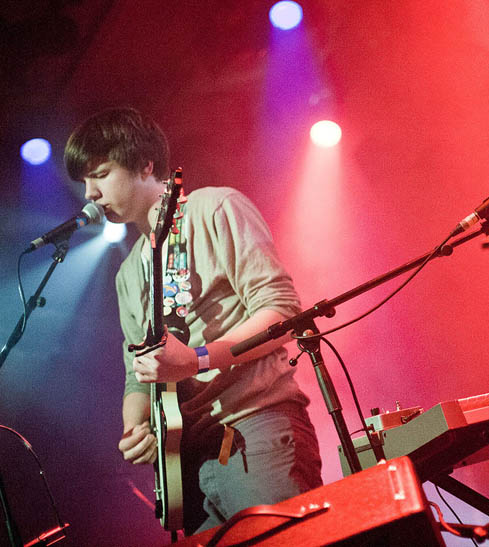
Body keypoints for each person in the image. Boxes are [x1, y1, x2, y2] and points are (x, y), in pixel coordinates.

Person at [64, 107, 323, 535]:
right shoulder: (128, 273)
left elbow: (282, 310)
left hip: (253, 426)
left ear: (146, 164)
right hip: (188, 457)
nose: (90, 193)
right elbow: (137, 374)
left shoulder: (215, 207)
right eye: (83, 182)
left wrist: (198, 359)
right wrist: (137, 427)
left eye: (101, 174)